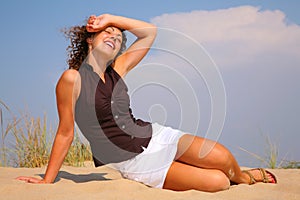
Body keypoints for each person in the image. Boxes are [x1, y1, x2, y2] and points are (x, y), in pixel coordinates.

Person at [16, 13, 277, 192]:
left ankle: (245, 178)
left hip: (156, 136)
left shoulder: (118, 68)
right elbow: (65, 132)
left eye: (118, 37)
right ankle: (232, 178)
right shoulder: (72, 79)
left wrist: (111, 19)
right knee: (218, 182)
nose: (114, 37)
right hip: (134, 162)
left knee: (222, 157)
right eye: (107, 32)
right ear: (89, 39)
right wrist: (47, 182)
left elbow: (149, 33)